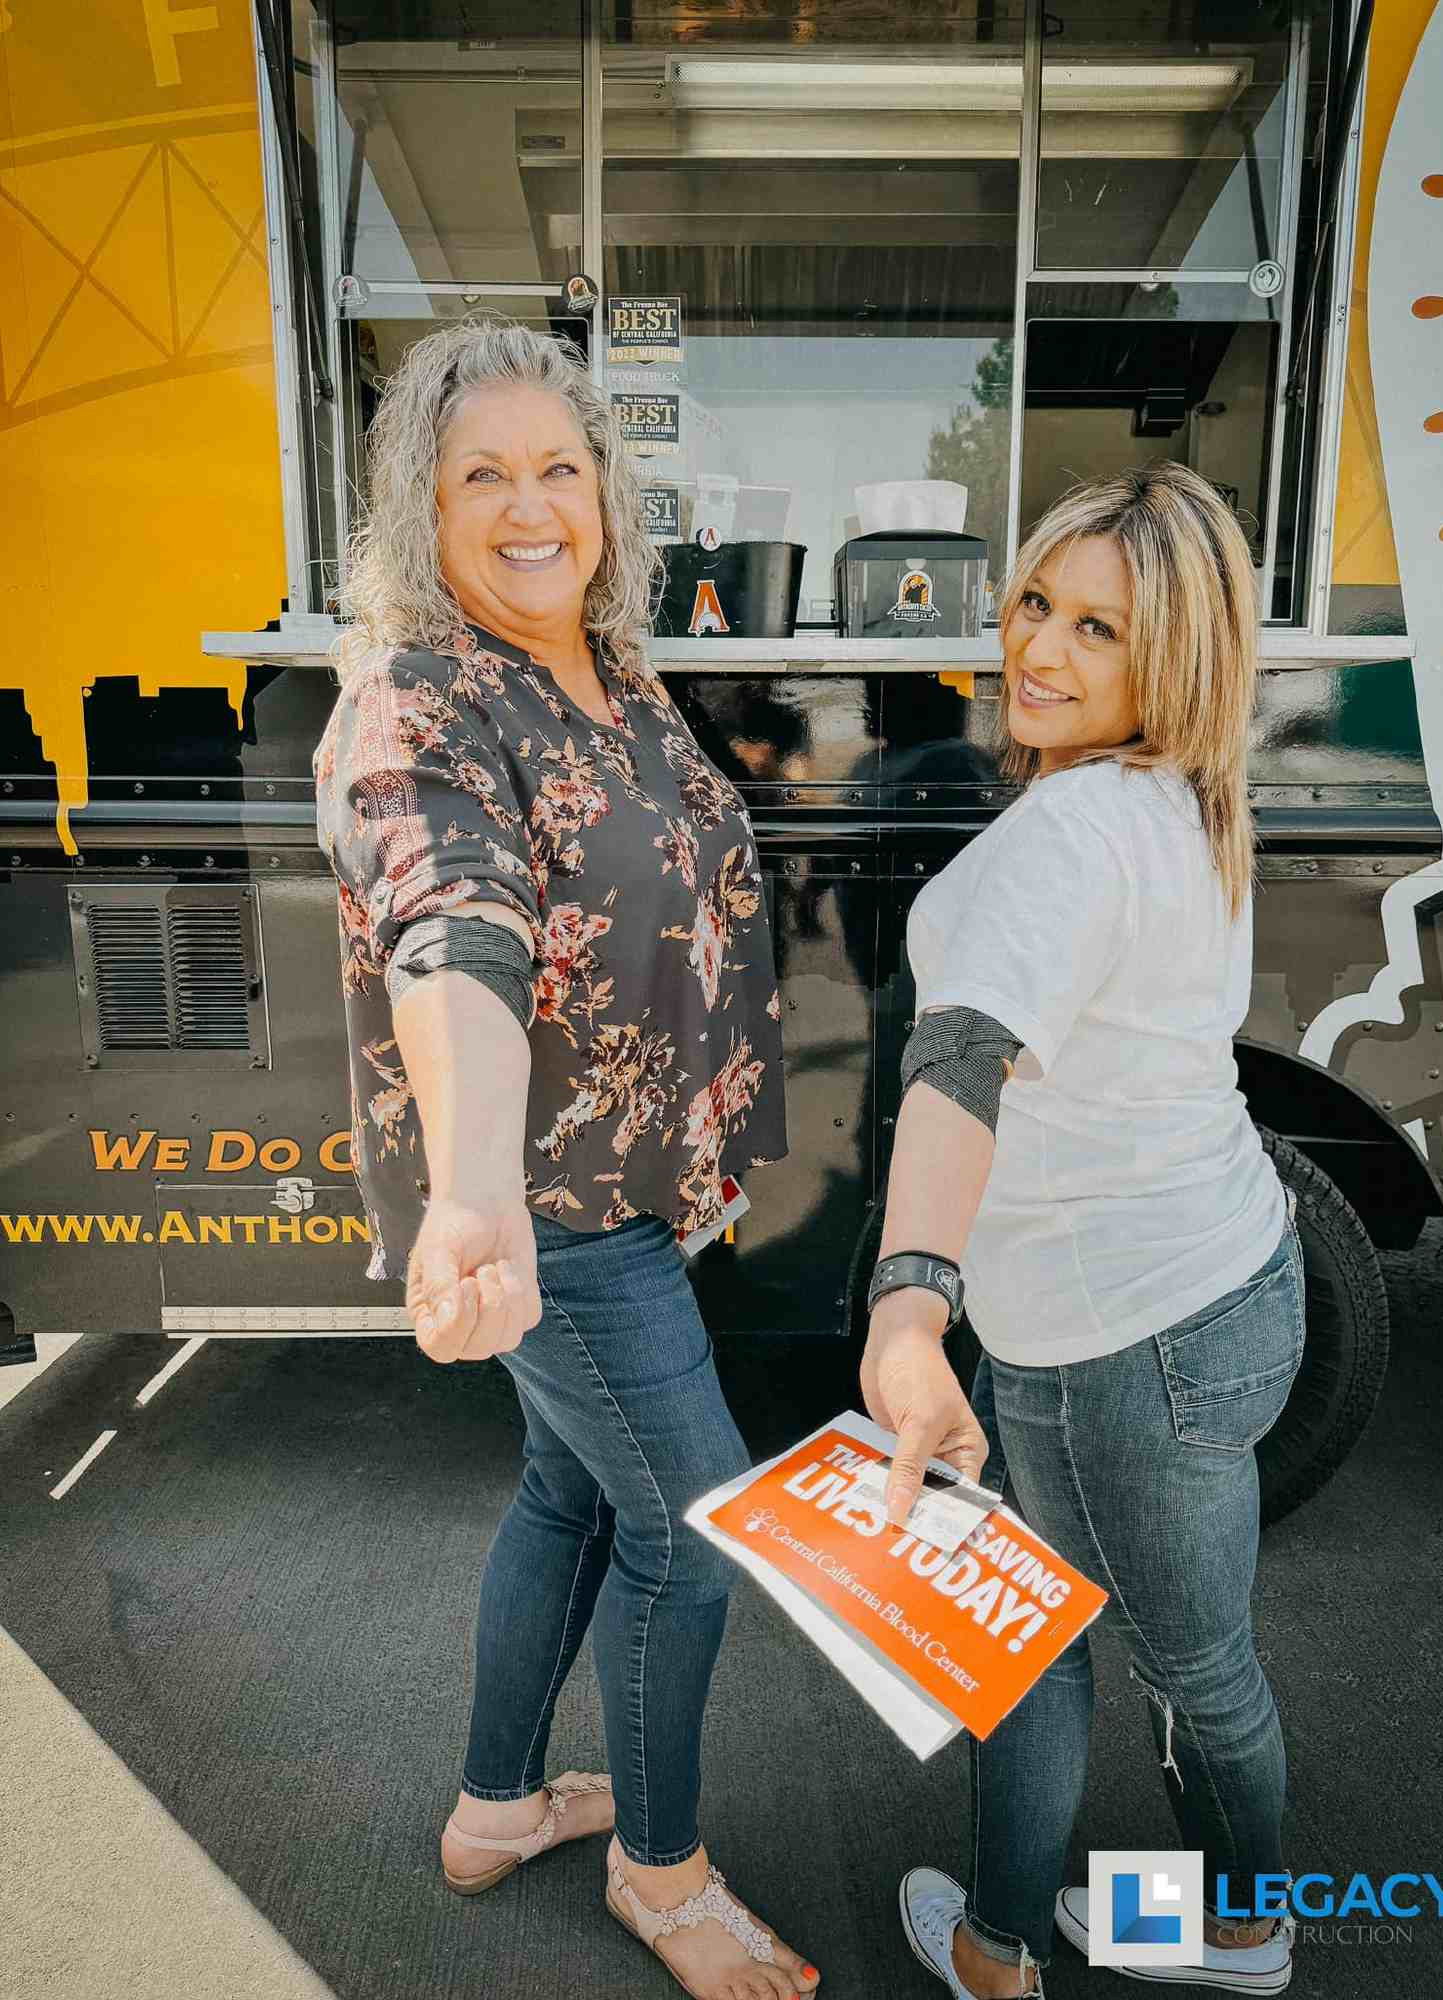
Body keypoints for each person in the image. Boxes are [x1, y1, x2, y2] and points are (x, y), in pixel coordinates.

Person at [314, 317, 819, 2000]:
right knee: (692, 1531)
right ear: (422, 507)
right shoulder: (420, 698)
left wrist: (714, 1139)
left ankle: (497, 1806)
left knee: (571, 1495)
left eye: (558, 467)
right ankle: (660, 1878)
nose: (530, 507)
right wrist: (469, 1197)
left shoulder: (611, 673)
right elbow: (453, 919)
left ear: (606, 491)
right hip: (549, 1213)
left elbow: (674, 922)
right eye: (482, 476)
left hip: (637, 1191)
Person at [862, 464, 1304, 1998]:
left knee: (1151, 1662)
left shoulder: (1069, 833)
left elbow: (961, 1058)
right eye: (1036, 602)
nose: (1038, 651)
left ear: (1170, 656)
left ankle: (1217, 1939)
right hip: (1217, 1279)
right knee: (1092, 1646)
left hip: (1128, 1332)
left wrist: (908, 1309)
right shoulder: (1183, 797)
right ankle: (1020, 1938)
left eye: (1097, 629)